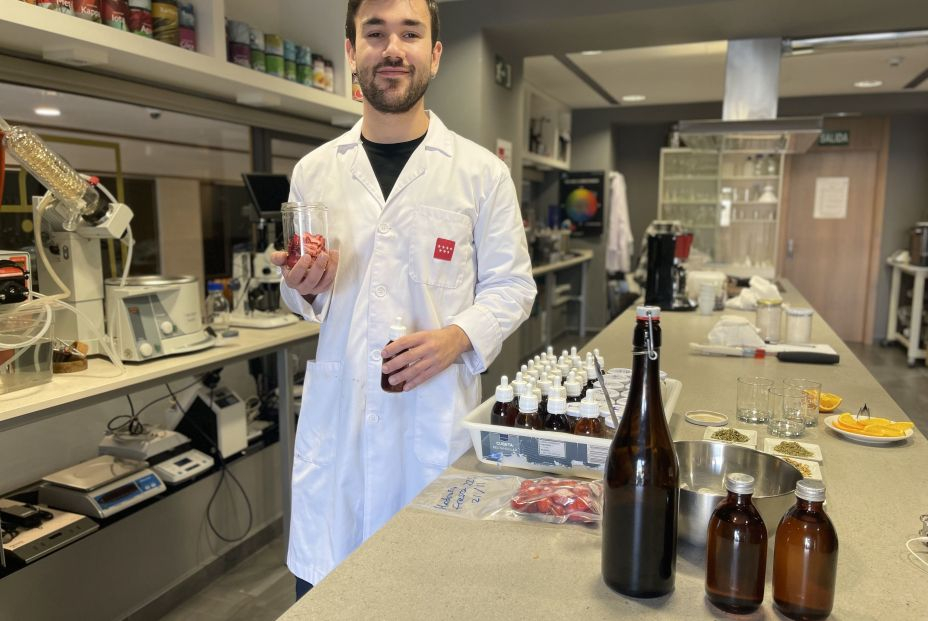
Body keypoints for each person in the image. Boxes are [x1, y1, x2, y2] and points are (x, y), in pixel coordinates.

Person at [271, 0, 536, 599]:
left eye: (410, 33)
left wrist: (458, 336)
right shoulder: (314, 172)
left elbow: (514, 285)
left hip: (432, 425)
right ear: (351, 51)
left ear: (434, 55)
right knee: (328, 599)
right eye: (375, 32)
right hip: (340, 431)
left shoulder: (479, 174)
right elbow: (301, 294)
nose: (393, 48)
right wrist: (302, 288)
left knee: (430, 594)